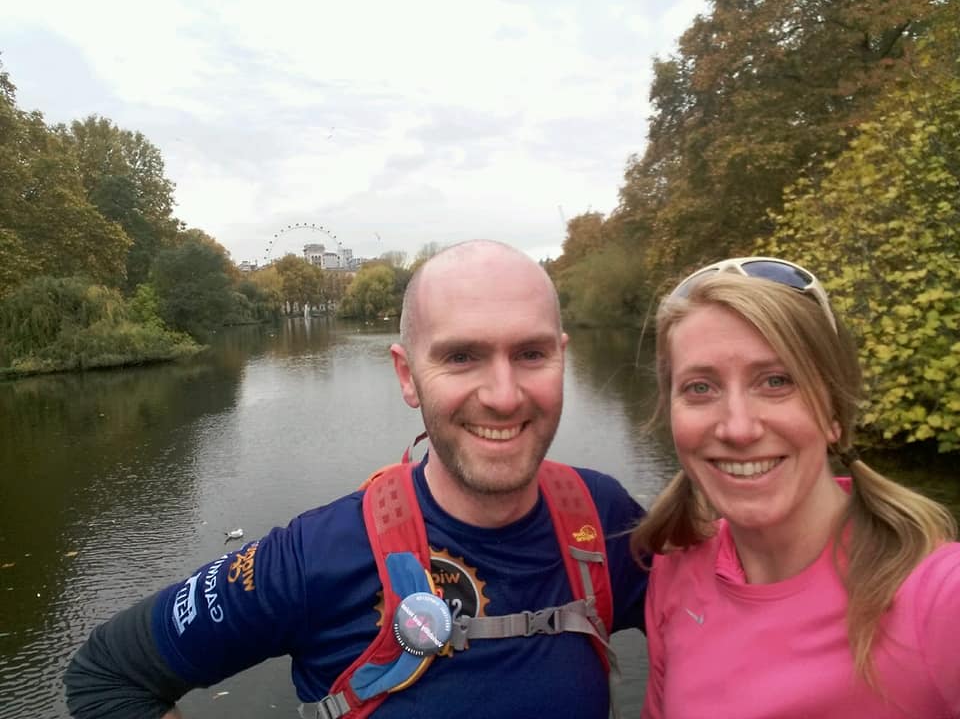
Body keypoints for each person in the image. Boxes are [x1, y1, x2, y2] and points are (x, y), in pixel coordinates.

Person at [64, 240, 649, 719]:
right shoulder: (314, 557)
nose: (502, 395)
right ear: (407, 376)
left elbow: (727, 622)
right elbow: (108, 676)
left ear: (562, 358)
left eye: (530, 354)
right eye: (461, 357)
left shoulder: (604, 518)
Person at [631, 256, 960, 719]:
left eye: (776, 381)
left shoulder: (936, 598)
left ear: (832, 413)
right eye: (700, 388)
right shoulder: (675, 572)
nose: (738, 428)